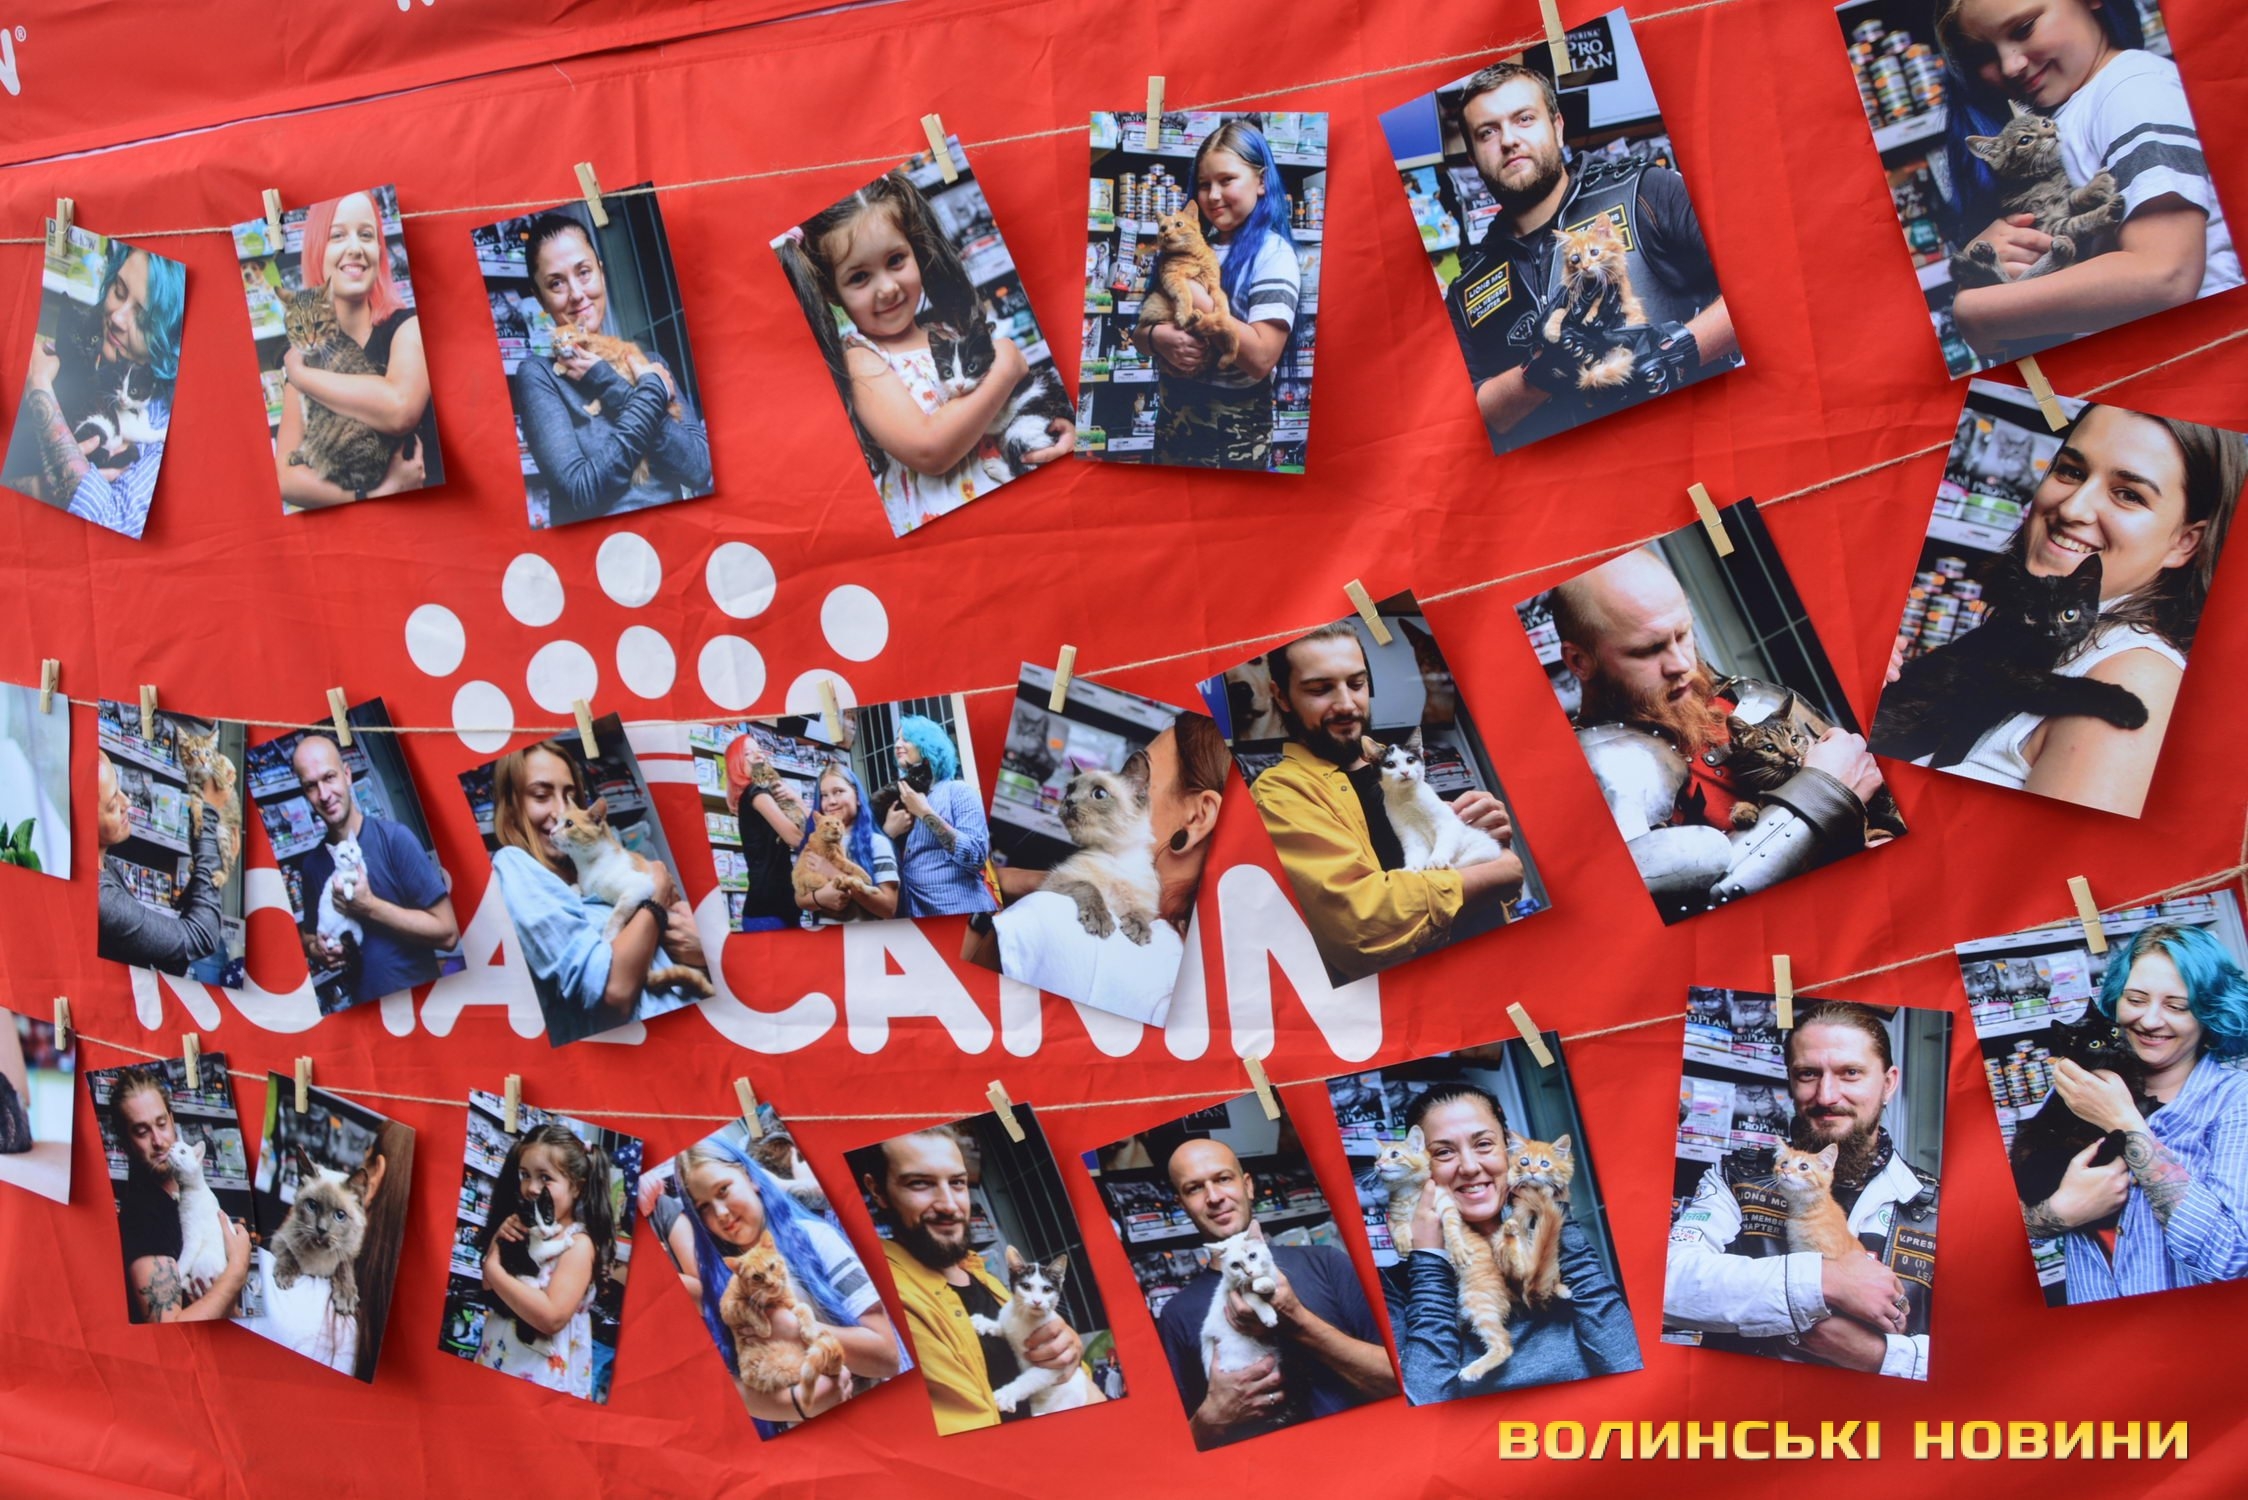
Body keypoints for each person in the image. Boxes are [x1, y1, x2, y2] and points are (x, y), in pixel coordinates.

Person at [1882, 404, 2245, 816]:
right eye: (2071, 471)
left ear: (2185, 542)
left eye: (2129, 494)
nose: (2072, 508)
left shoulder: (2136, 677)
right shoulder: (2036, 633)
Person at [1548, 547, 1887, 920]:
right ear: (1580, 661)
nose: (1682, 664)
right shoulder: (1591, 772)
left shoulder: (1746, 700)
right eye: (1649, 649)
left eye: (1683, 633)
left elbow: (1883, 801)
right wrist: (1820, 792)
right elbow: (1685, 912)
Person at [1436, 62, 1736, 454]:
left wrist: (1673, 348)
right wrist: (1543, 372)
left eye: (1524, 118)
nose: (1508, 140)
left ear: (1557, 126)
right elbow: (1474, 416)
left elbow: (1758, 283)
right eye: (1487, 132)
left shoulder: (1646, 192)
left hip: (1698, 446)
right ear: (1474, 158)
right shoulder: (1467, 289)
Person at [1937, 0, 2240, 360]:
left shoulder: (2131, 89)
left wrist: (1979, 311)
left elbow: (2166, 274)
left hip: (2201, 356)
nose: (2010, 65)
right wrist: (1993, 264)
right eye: (1984, 54)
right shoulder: (2070, 111)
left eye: (2024, 28)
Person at [777, 173, 1074, 536]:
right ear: (831, 292)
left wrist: (1054, 431)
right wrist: (1008, 363)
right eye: (859, 278)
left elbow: (1002, 413)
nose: (888, 287)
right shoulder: (862, 360)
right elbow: (929, 450)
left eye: (896, 260)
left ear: (915, 251)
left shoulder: (946, 334)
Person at [1664, 1003, 1936, 1379]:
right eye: (1808, 1074)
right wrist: (1825, 1281)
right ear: (1790, 1081)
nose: (1826, 1096)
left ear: (1888, 1083)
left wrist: (1877, 1355)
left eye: (1850, 1073)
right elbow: (1669, 1283)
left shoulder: (1939, 1206)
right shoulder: (1734, 1177)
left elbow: (1983, 1355)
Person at [1244, 623, 1523, 980]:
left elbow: (1477, 877)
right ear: (1281, 696)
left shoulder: (1403, 769)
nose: (1347, 704)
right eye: (1320, 689)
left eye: (1357, 684)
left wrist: (1489, 842)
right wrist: (1498, 872)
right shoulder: (1279, 793)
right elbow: (1360, 924)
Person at [2019, 923, 2248, 1302]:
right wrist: (2060, 1212)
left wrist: (2123, 1121)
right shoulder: (2082, 1086)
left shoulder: (2235, 1100)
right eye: (2136, 1000)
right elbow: (2014, 1219)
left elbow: (2232, 1260)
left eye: (2176, 1006)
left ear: (2208, 1012)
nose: (2150, 1021)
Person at [1380, 1083, 1641, 1402]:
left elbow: (1628, 1362)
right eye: (1444, 1152)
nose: (1470, 1167)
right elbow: (1424, 1405)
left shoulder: (1557, 1249)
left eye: (1484, 1144)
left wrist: (1556, 1217)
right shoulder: (1395, 1286)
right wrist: (1430, 1261)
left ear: (1508, 1150)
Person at [971, 713, 1229, 1020]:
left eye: (1138, 783)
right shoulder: (1209, 978)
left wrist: (979, 905)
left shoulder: (1053, 922)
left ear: (1198, 818)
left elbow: (949, 1001)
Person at [1154, 1139, 1395, 1448]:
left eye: (1223, 1178)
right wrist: (1210, 1420)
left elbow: (1403, 1380)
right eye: (1195, 1188)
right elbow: (1172, 1450)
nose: (1214, 1197)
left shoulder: (1326, 1263)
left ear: (1248, 1186)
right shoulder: (1176, 1314)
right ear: (1182, 1204)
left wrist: (1298, 1323)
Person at [858, 1128, 1100, 1434]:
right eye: (920, 1183)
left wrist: (1069, 1355)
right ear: (878, 1190)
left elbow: (1078, 1383)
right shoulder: (887, 1293)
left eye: (957, 1183)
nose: (949, 1205)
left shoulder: (983, 1276)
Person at [674, 1137, 906, 1431]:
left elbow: (887, 1357)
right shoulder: (719, 1281)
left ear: (750, 1177)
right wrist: (798, 1404)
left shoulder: (815, 1239)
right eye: (703, 1207)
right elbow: (730, 1385)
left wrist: (793, 1330)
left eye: (723, 1190)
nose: (720, 1213)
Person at [484, 739, 707, 1044]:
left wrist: (701, 950)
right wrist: (657, 893)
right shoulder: (512, 864)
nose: (560, 810)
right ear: (510, 808)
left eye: (570, 796)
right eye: (541, 795)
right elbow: (612, 992)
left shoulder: (580, 870)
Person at [512, 212, 713, 526]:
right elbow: (580, 492)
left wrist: (615, 387)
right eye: (556, 283)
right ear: (540, 298)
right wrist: (648, 391)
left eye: (584, 272)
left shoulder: (650, 360)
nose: (577, 294)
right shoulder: (539, 375)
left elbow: (699, 468)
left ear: (602, 274)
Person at [1136, 120, 1301, 469]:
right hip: (1173, 425)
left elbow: (1261, 359)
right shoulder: (1189, 244)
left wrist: (1188, 288)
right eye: (1203, 184)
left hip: (1234, 438)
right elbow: (1140, 332)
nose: (1212, 195)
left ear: (1261, 181)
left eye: (1226, 180)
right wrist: (1157, 338)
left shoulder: (1273, 254)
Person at [3, 238, 185, 539]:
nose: (117, 318)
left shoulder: (161, 430)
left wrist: (39, 387)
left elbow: (114, 523)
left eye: (143, 319)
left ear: (168, 340)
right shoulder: (72, 354)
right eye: (119, 291)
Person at [274, 189, 438, 508]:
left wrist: (299, 375)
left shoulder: (408, 326)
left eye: (366, 234)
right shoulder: (305, 347)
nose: (355, 248)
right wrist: (372, 496)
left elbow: (400, 410)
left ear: (379, 250)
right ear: (317, 250)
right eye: (337, 235)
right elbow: (284, 477)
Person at [290, 734, 457, 1011]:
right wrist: (317, 950)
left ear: (347, 775)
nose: (324, 794)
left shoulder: (396, 840)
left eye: (329, 777)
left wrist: (370, 907)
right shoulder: (312, 865)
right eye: (311, 786)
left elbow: (448, 934)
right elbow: (308, 935)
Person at [475, 1124, 618, 1399]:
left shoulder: (578, 1245)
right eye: (525, 1175)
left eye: (545, 1178)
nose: (531, 1188)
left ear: (576, 1187)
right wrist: (498, 1239)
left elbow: (551, 1317)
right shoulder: (524, 1225)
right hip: (498, 1355)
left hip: (542, 1375)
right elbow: (487, 1286)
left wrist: (493, 1268)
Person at [104, 1067, 252, 1324]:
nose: (159, 1141)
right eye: (142, 1131)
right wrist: (238, 1269)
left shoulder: (193, 1194)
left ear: (172, 1121)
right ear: (125, 1141)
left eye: (161, 1124)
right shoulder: (142, 1216)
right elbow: (168, 1327)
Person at [94, 749, 227, 975]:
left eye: (119, 789)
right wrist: (206, 819)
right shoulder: (103, 898)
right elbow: (200, 936)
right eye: (112, 804)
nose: (127, 801)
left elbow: (170, 959)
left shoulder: (107, 867)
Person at [881, 715, 995, 918]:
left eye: (906, 739)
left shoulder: (958, 791)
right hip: (916, 918)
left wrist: (925, 813)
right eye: (897, 739)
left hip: (961, 914)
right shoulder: (898, 799)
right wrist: (888, 835)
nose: (897, 744)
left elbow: (976, 857)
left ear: (927, 744)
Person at [793, 762, 901, 928]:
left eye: (839, 791)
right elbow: (799, 898)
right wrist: (819, 898)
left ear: (857, 797)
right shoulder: (814, 843)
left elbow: (889, 908)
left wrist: (832, 872)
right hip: (827, 937)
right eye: (824, 795)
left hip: (866, 937)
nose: (831, 801)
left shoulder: (877, 843)